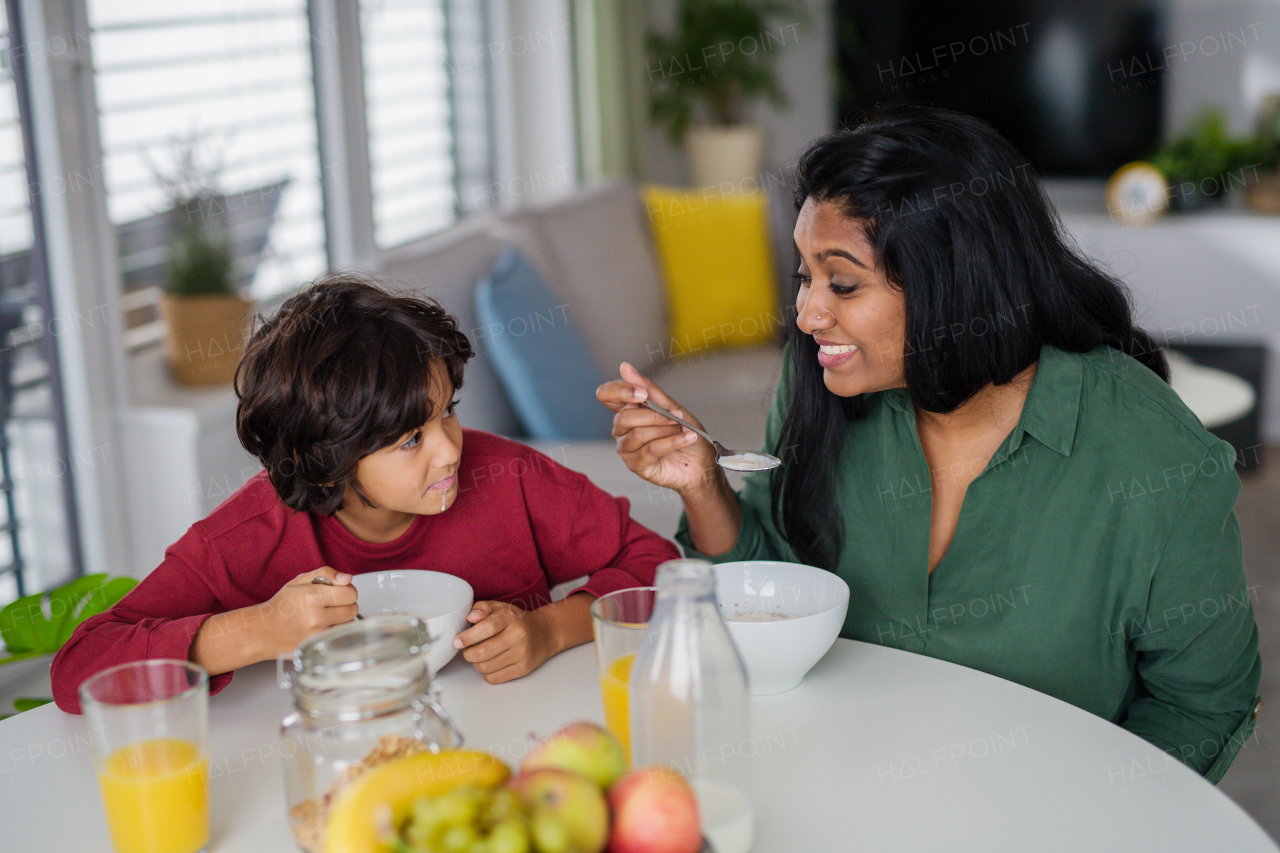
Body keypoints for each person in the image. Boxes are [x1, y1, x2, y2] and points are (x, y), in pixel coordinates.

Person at [598, 105, 1261, 782]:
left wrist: (1081, 817)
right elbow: (771, 597)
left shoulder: (1149, 453)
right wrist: (702, 484)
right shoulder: (822, 392)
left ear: (958, 279)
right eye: (804, 275)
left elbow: (1203, 704)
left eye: (843, 282)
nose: (806, 313)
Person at [53, 276, 677, 713]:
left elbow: (660, 568)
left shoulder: (508, 478)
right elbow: (80, 668)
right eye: (411, 439)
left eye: (447, 413)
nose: (451, 449)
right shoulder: (246, 538)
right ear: (324, 462)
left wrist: (549, 630)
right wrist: (262, 630)